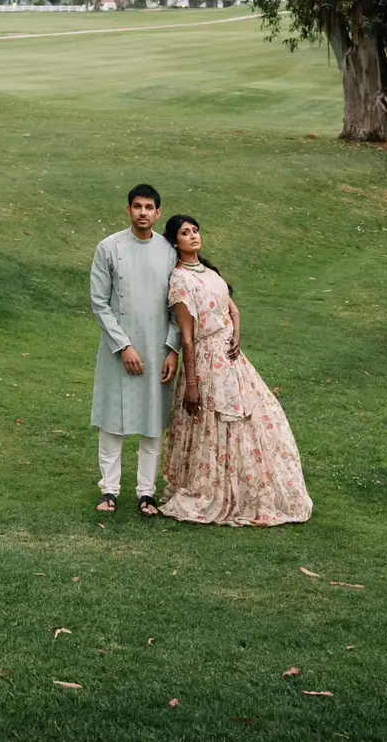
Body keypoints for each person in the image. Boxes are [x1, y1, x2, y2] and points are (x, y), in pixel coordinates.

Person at [159, 214, 312, 526]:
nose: (193, 236)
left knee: (259, 416)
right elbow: (187, 338)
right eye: (185, 233)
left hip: (232, 358)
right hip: (205, 362)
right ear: (175, 242)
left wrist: (237, 334)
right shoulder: (180, 281)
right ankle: (214, 487)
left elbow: (234, 310)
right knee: (215, 423)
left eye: (195, 230)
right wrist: (191, 385)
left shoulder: (209, 272)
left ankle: (252, 490)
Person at [89, 184, 181, 516]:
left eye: (149, 207)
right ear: (128, 210)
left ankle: (147, 493)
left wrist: (172, 348)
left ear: (158, 213)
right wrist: (124, 346)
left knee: (152, 420)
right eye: (137, 206)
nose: (143, 212)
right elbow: (100, 303)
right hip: (118, 349)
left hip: (158, 349)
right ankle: (109, 490)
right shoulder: (109, 247)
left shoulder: (169, 252)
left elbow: (178, 306)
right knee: (112, 420)